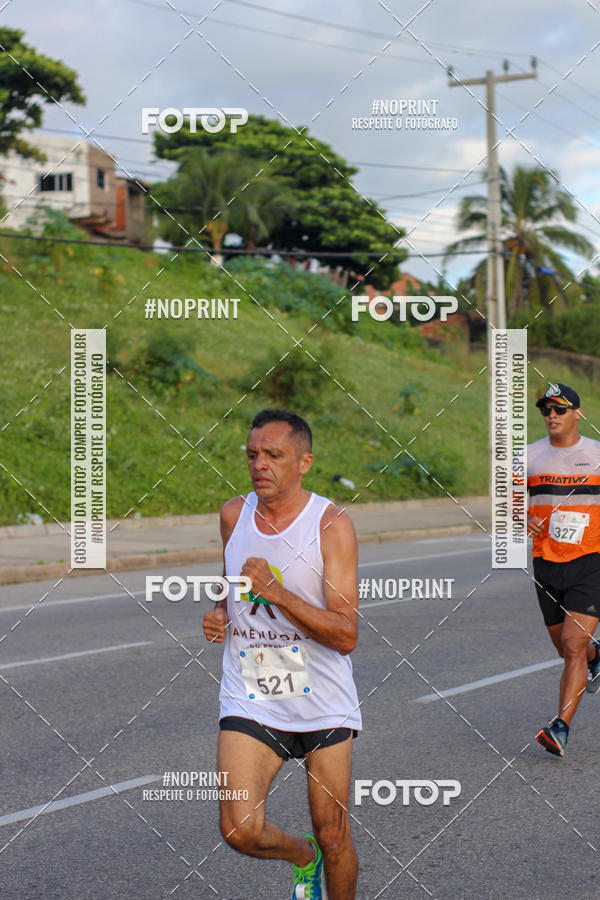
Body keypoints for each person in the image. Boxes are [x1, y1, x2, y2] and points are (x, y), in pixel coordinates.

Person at [203, 408, 361, 898]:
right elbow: (233, 586)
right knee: (238, 829)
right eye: (252, 454)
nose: (260, 464)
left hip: (322, 695)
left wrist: (280, 594)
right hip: (253, 690)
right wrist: (220, 612)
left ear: (305, 462)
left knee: (333, 832)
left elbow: (346, 633)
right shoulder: (234, 515)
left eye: (274, 454)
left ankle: (322, 856)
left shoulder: (331, 525)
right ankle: (301, 855)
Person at [527, 383, 600, 757]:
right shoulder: (529, 457)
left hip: (592, 561)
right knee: (565, 647)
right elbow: (506, 505)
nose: (551, 415)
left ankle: (560, 728)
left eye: (560, 409)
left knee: (573, 644)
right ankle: (594, 656)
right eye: (546, 409)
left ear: (577, 414)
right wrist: (520, 516)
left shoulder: (597, 454)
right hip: (547, 563)